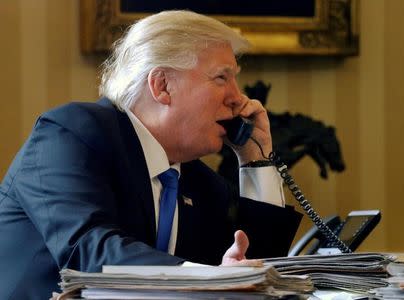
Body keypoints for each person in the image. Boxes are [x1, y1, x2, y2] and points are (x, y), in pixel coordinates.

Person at [0, 10, 302, 299]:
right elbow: (89, 251)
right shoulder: (70, 134)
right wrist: (212, 279)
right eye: (222, 78)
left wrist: (257, 161)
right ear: (162, 86)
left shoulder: (201, 183)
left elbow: (256, 274)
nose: (238, 98)